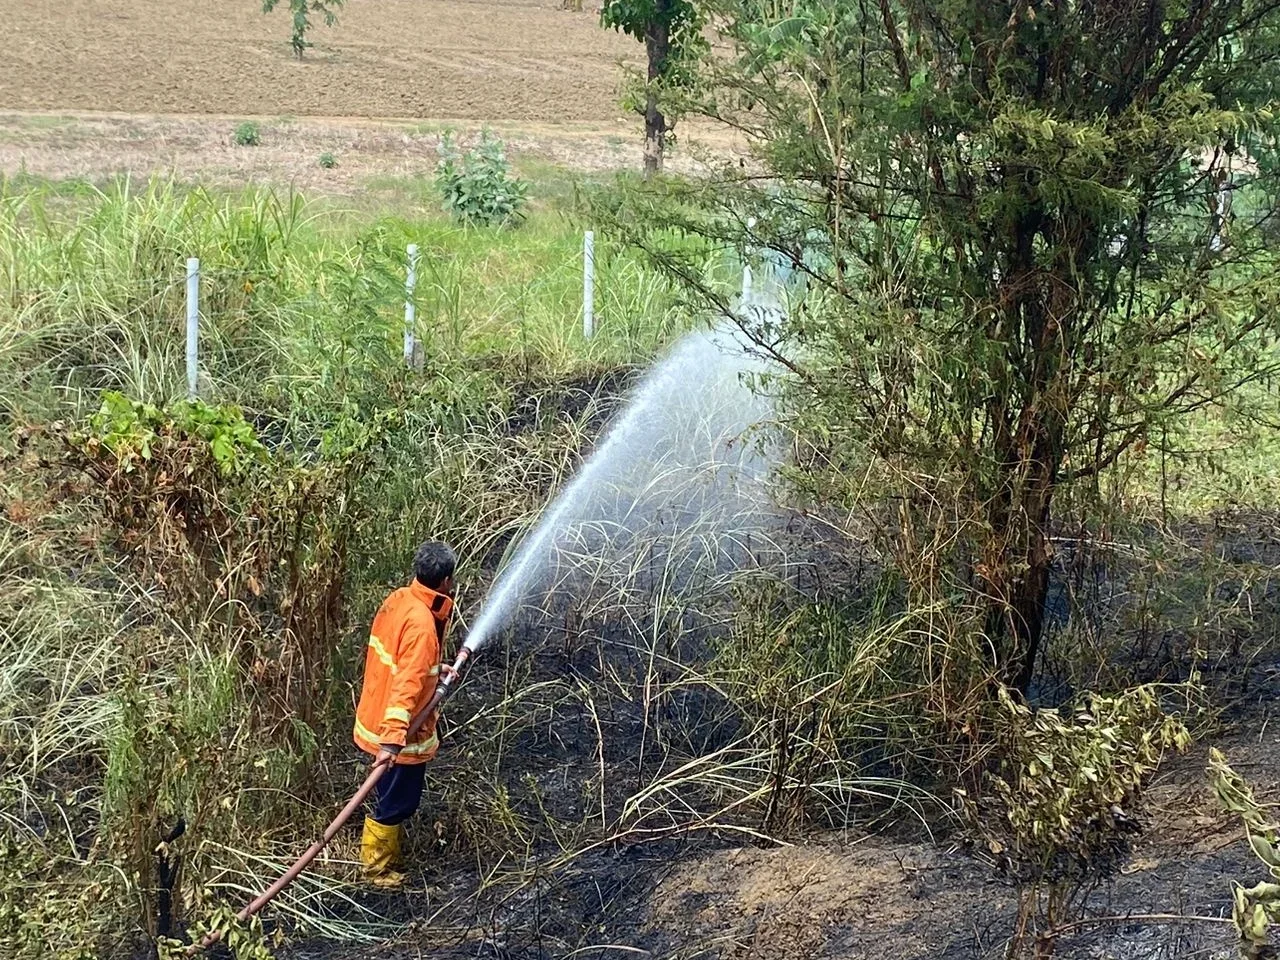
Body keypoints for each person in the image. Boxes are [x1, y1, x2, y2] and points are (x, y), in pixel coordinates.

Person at [353, 540, 457, 886]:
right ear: (444, 582)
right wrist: (394, 739)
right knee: (398, 800)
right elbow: (407, 685)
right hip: (398, 733)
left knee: (390, 794)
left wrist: (435, 671)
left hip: (376, 714)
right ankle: (376, 868)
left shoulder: (400, 599)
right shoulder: (422, 625)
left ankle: (388, 854)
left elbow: (407, 667)